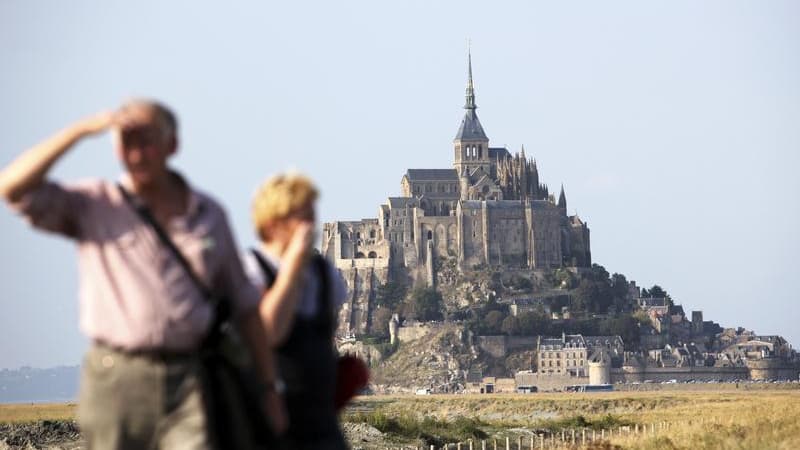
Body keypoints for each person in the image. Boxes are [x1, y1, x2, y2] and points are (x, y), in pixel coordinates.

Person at [0, 99, 295, 449]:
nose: (136, 154)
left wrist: (268, 389)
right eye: (127, 142)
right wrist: (80, 130)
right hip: (115, 380)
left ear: (172, 145)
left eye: (147, 142)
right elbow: (12, 188)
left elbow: (245, 306)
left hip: (192, 379)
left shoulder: (208, 215)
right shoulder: (96, 205)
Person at [246, 173, 349, 450]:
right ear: (272, 223)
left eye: (311, 216)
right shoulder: (251, 271)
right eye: (299, 218)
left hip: (322, 422)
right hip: (269, 418)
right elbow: (268, 333)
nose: (309, 226)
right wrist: (290, 267)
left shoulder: (324, 274)